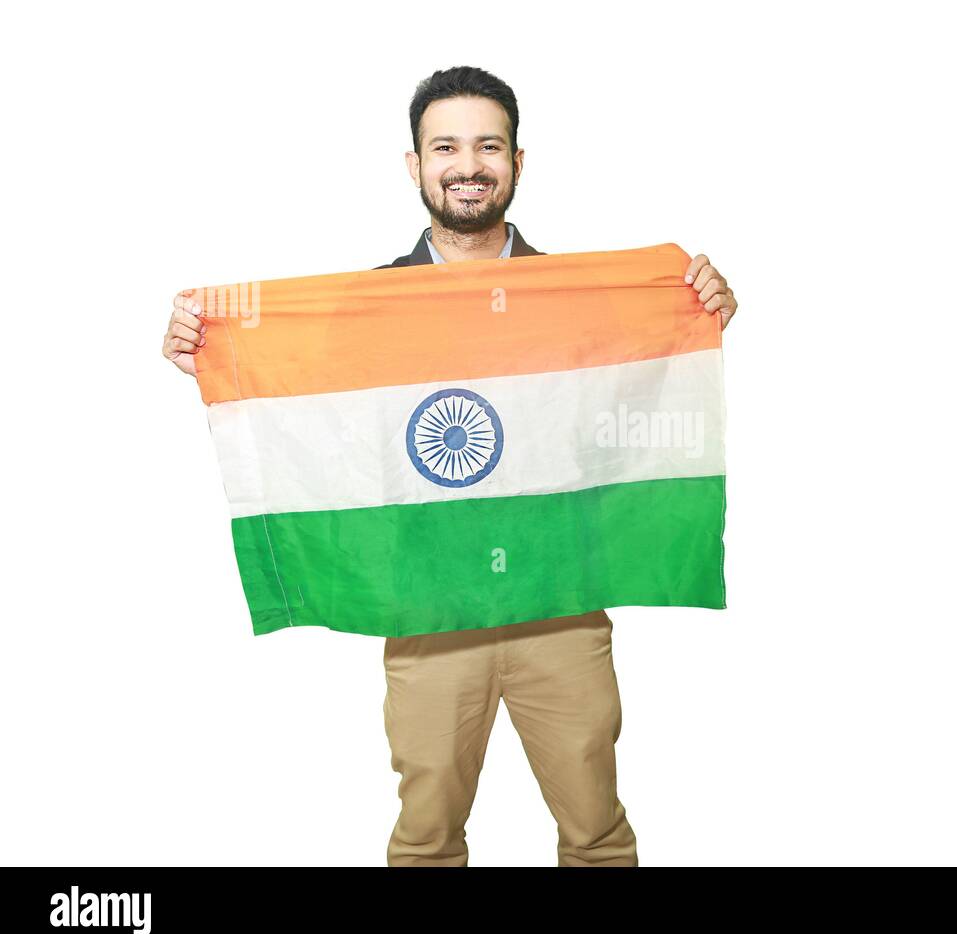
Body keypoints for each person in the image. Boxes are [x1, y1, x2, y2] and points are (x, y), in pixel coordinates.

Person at [162, 65, 739, 867]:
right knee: (426, 840)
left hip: (560, 606)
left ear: (516, 161)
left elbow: (647, 384)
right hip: (429, 610)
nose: (468, 165)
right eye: (446, 147)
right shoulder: (361, 316)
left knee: (598, 834)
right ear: (416, 166)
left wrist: (699, 308)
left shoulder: (582, 303)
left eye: (487, 146)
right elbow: (302, 411)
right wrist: (213, 355)